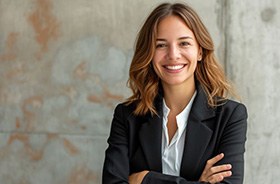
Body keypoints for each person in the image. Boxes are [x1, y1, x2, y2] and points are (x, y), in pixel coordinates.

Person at [102, 2, 247, 184]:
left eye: (184, 43)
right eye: (161, 45)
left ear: (200, 51)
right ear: (149, 53)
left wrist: (144, 178)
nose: (173, 55)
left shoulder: (230, 116)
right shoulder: (126, 116)